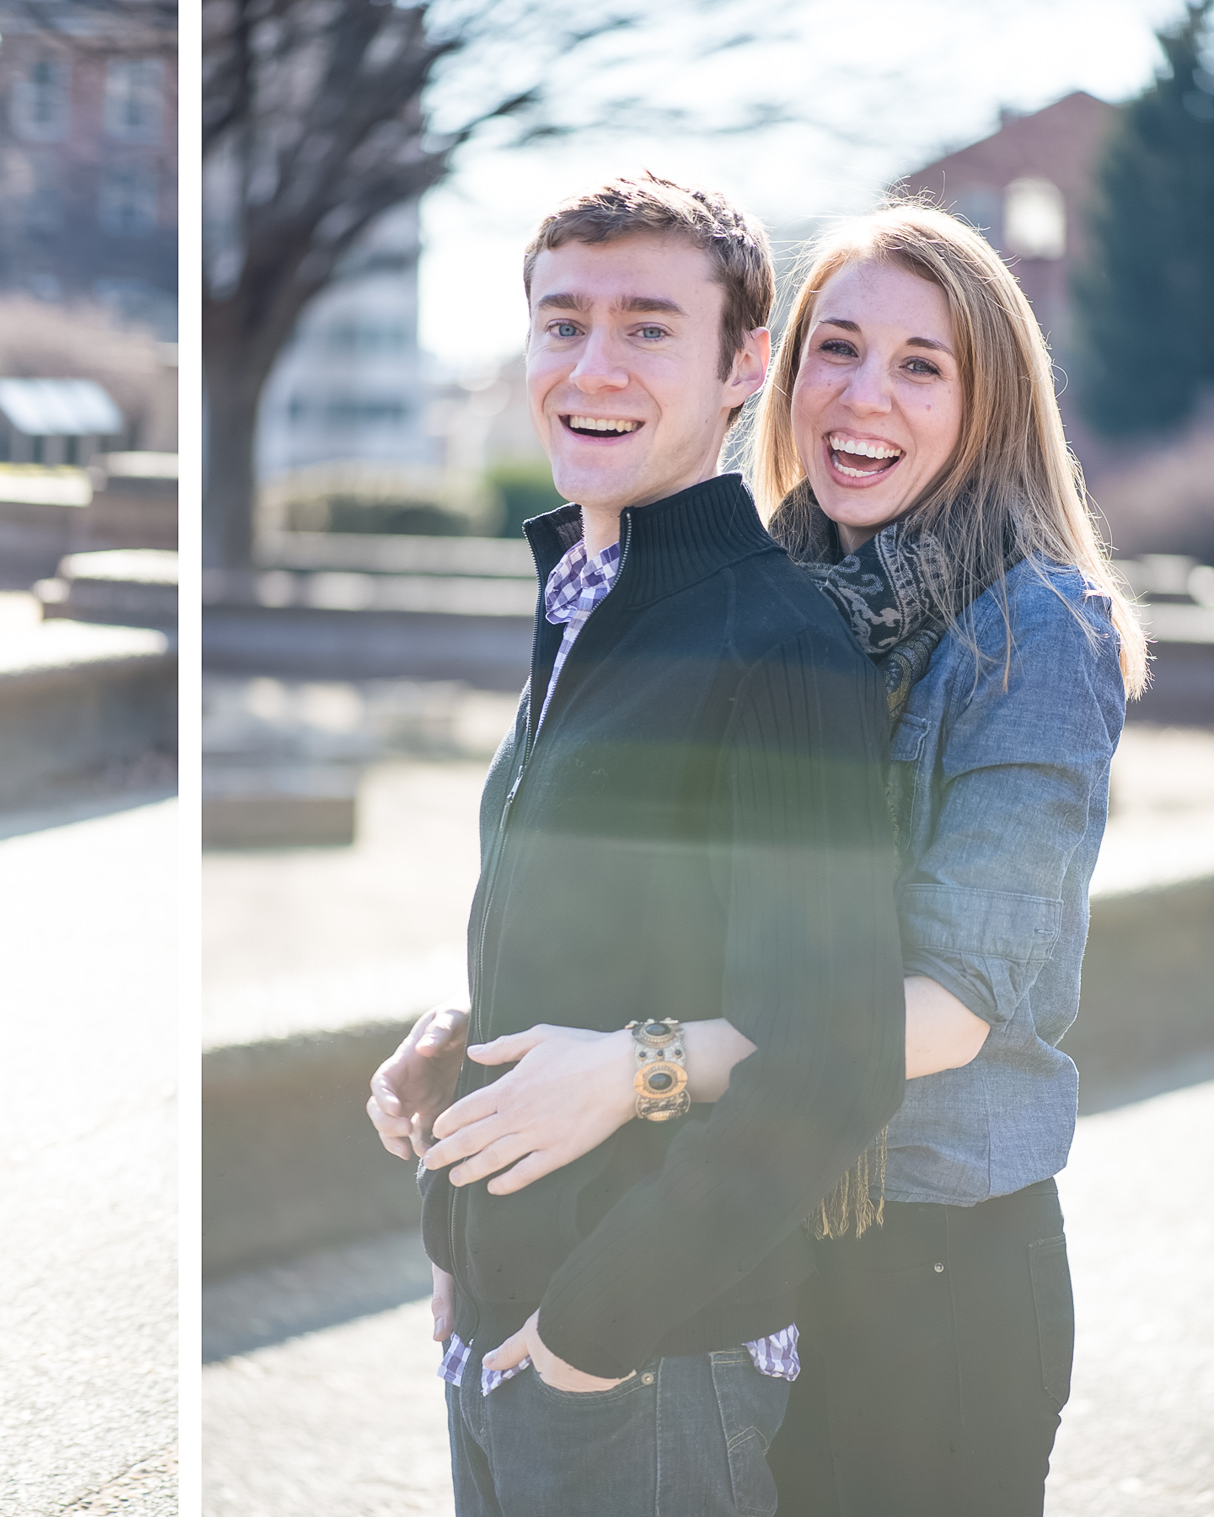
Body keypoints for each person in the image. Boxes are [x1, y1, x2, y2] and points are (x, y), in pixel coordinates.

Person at [380, 205, 1142, 1517]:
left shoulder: (1035, 630)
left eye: (921, 366)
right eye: (836, 350)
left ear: (992, 401)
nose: (862, 397)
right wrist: (492, 1025)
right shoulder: (772, 597)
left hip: (930, 1261)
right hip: (759, 1230)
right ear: (779, 378)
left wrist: (636, 1064)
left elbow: (950, 1011)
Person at [364, 170, 908, 1517]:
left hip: (649, 1352)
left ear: (745, 365)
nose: (590, 365)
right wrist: (462, 1098)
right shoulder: (584, 594)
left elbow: (836, 1053)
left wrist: (587, 1338)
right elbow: (609, 925)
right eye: (562, 322)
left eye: (648, 326)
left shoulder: (776, 636)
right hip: (507, 1312)